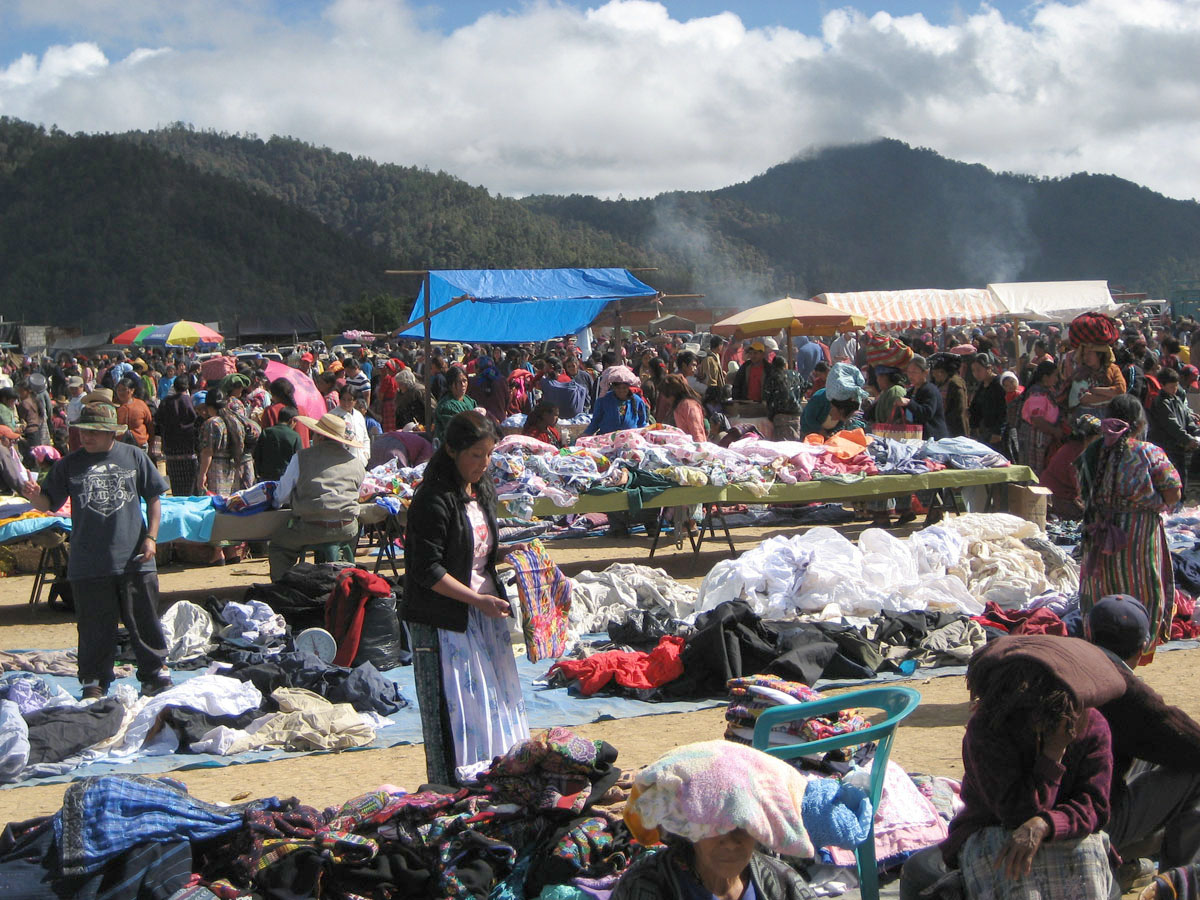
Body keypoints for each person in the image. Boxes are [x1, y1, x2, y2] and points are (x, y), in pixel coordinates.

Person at [900, 634, 1124, 900]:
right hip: (992, 828)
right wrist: (1052, 757)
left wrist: (1046, 824)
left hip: (1068, 833)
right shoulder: (988, 729)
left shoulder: (1092, 726)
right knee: (1009, 861)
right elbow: (1017, 813)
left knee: (1085, 852)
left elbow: (1094, 806)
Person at [401, 412, 529, 785]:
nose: (484, 463)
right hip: (446, 621)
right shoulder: (433, 499)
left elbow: (472, 551)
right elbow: (427, 570)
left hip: (483, 616)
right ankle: (458, 786)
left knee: (494, 704)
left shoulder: (480, 491)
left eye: (489, 454)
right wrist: (476, 600)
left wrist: (508, 553)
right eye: (476, 454)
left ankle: (498, 779)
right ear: (452, 450)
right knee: (460, 711)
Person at [20, 403, 173, 699]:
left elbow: (154, 499)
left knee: (143, 620)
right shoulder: (69, 464)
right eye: (83, 431)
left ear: (111, 433)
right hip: (89, 562)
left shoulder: (134, 456)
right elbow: (48, 503)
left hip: (134, 558)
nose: (86, 437)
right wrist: (34, 496)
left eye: (94, 432)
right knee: (94, 627)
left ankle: (155, 673)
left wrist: (151, 538)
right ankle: (94, 680)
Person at [1085, 595, 1200, 878]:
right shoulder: (1124, 691)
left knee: (1156, 752)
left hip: (1031, 814)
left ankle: (1124, 863)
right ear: (1143, 648)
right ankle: (1178, 884)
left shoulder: (1070, 665)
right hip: (1084, 823)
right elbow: (1185, 738)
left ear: (1088, 633)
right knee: (1194, 770)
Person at [615, 741, 815, 900]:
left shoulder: (781, 883)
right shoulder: (645, 886)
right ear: (690, 829)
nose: (730, 842)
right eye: (716, 827)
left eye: (742, 826)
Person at [1077, 394, 1180, 661]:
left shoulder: (1093, 452)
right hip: (1139, 534)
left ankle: (1103, 651)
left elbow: (1081, 493)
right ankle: (1135, 652)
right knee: (1141, 591)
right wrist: (1152, 501)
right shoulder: (1149, 452)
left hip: (1099, 533)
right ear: (1139, 423)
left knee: (1103, 591)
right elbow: (1174, 493)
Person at [268, 412, 367, 580]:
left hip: (311, 526)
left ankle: (281, 586)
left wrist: (275, 502)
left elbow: (281, 495)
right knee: (347, 536)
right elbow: (356, 494)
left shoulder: (301, 457)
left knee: (279, 547)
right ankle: (342, 574)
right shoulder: (356, 463)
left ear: (319, 436)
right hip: (347, 528)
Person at [1148, 367, 1200, 493]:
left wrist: (1196, 432)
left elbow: (1188, 420)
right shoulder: (1161, 402)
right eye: (1172, 386)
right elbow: (1171, 424)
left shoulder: (1177, 400)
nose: (1175, 389)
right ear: (1162, 385)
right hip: (1168, 447)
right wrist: (1188, 439)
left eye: (1176, 386)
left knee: (1183, 478)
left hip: (1180, 448)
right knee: (1171, 482)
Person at [1040, 414, 1102, 519]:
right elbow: (1081, 488)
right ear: (1088, 437)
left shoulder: (1077, 448)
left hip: (1064, 496)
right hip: (1055, 498)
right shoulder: (1077, 453)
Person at [194, 389, 254, 495]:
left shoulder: (212, 423)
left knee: (216, 501)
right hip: (233, 468)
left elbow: (207, 452)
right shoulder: (236, 421)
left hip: (216, 471)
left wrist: (202, 474)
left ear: (209, 406)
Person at [1016, 360, 1062, 476]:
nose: (1057, 379)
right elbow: (1037, 419)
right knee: (1036, 471)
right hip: (1037, 437)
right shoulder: (1037, 394)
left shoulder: (1046, 391)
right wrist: (1055, 431)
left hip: (1042, 435)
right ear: (1045, 377)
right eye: (1055, 376)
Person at [154, 376, 198, 496]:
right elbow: (195, 421)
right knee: (190, 487)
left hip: (171, 449)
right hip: (188, 449)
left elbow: (158, 420)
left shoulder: (166, 402)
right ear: (187, 387)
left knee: (176, 485)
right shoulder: (190, 401)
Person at [584, 366, 649, 435]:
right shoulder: (603, 400)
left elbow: (642, 424)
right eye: (618, 388)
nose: (621, 391)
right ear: (613, 387)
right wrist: (585, 434)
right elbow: (595, 422)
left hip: (630, 439)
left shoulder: (638, 401)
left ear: (628, 387)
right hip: (607, 439)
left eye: (624, 388)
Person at [900, 355, 949, 440]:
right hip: (915, 436)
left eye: (914, 372)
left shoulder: (930, 390)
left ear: (925, 373)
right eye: (909, 372)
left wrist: (909, 403)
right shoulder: (910, 392)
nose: (910, 375)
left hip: (933, 438)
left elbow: (927, 413)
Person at [254, 405, 302, 482]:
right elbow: (298, 460)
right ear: (292, 421)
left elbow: (257, 455)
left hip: (266, 477)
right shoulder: (295, 436)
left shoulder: (266, 432)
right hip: (286, 479)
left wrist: (259, 472)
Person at [968, 353, 1006, 448]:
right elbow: (976, 407)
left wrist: (998, 432)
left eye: (979, 370)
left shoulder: (999, 385)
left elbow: (1004, 411)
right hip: (985, 431)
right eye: (973, 370)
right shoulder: (982, 385)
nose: (976, 373)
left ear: (989, 368)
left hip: (999, 433)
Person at [762, 356, 805, 440]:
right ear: (785, 365)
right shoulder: (796, 374)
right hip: (796, 414)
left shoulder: (772, 378)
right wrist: (798, 398)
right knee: (795, 441)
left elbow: (766, 398)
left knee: (783, 443)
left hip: (780, 415)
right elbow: (805, 387)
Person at [433, 365, 477, 445]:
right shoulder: (446, 406)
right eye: (458, 382)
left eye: (464, 381)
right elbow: (456, 431)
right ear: (450, 385)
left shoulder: (469, 401)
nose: (463, 384)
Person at [331, 386, 371, 468]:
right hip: (342, 463)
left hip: (360, 462)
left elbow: (365, 437)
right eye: (343, 399)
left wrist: (366, 453)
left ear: (355, 401)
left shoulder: (359, 415)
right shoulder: (333, 415)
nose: (346, 403)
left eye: (350, 400)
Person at [932, 354, 970, 438]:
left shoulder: (955, 384)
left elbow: (959, 409)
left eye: (935, 373)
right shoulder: (942, 383)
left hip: (955, 430)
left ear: (941, 372)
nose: (934, 376)